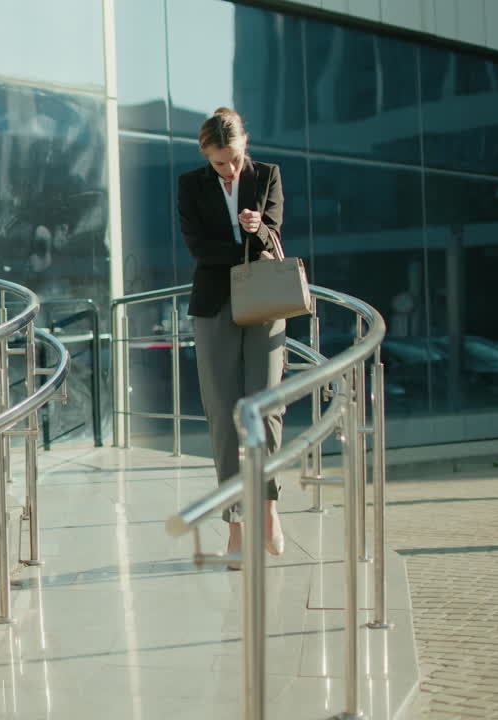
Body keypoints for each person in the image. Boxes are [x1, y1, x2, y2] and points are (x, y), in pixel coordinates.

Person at [177, 108, 284, 566]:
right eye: (220, 162)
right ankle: (237, 525)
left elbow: (275, 230)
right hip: (215, 305)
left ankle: (269, 508)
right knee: (223, 415)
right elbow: (198, 248)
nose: (230, 169)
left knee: (266, 408)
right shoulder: (190, 185)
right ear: (206, 155)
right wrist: (245, 244)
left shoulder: (268, 175)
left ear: (245, 144)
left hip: (266, 302)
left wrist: (258, 229)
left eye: (235, 158)